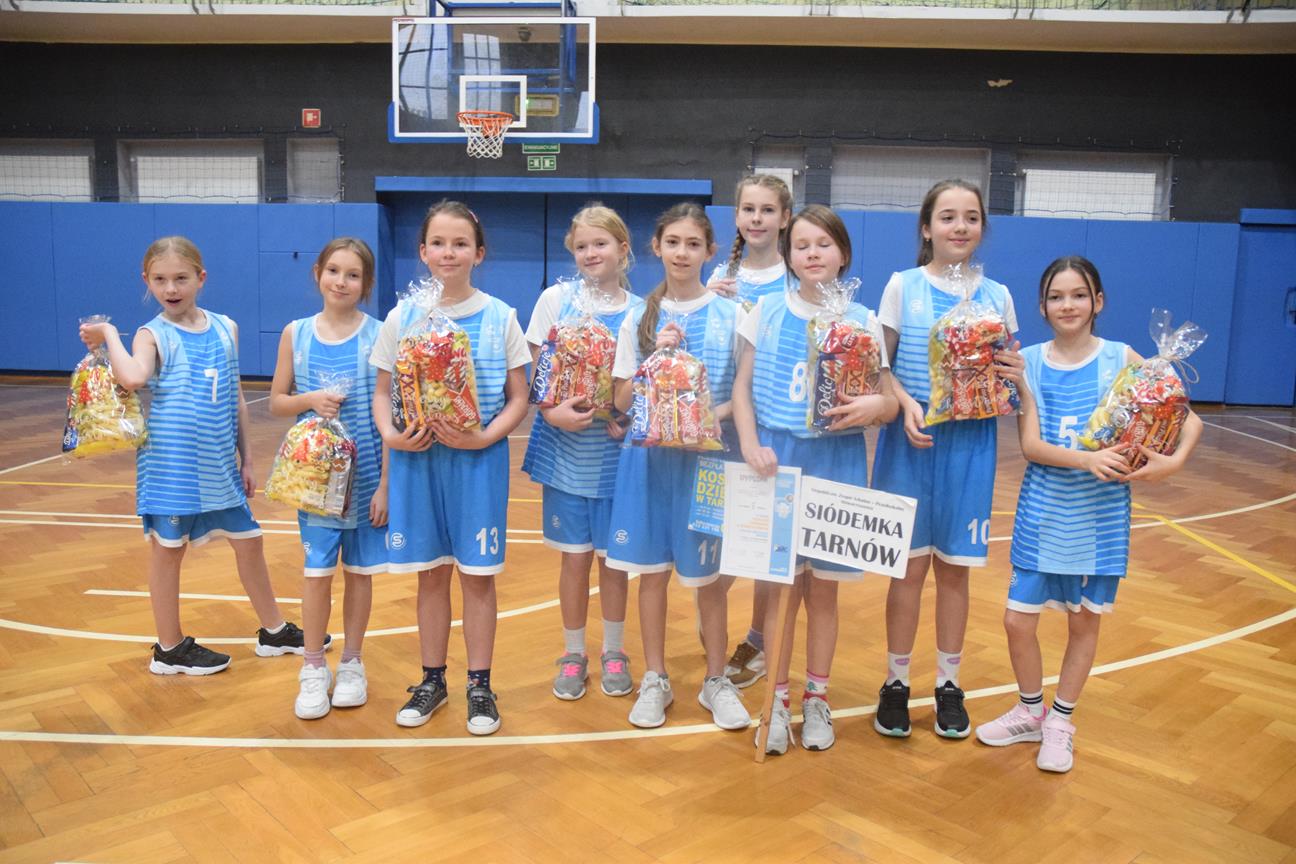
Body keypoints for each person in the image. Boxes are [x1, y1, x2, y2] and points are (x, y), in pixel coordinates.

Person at [975, 255, 1202, 772]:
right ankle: (1030, 712)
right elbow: (1031, 446)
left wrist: (1172, 463)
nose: (1068, 305)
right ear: (1042, 306)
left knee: (1082, 623)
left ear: (1098, 301)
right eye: (1056, 296)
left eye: (1079, 294)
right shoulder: (1029, 362)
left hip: (1100, 520)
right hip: (1041, 512)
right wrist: (1087, 458)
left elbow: (1189, 421)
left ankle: (1060, 721)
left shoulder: (1122, 357)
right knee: (1016, 621)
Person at [79, 236, 313, 675]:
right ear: (146, 281)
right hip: (171, 469)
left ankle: (274, 631)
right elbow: (133, 377)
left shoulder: (226, 327)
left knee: (251, 541)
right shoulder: (151, 334)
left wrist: (246, 459)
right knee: (168, 552)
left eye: (181, 278)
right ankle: (169, 649)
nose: (171, 288)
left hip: (219, 465)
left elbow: (237, 398)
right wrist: (110, 334)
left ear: (200, 278)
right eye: (160, 279)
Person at [733, 204, 898, 754]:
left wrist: (876, 405)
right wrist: (750, 442)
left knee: (823, 592)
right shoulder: (764, 311)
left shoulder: (863, 320)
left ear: (843, 254)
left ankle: (817, 697)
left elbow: (888, 400)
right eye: (801, 245)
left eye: (823, 244)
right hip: (776, 460)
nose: (812, 254)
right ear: (788, 255)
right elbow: (741, 388)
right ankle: (777, 700)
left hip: (837, 462)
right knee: (781, 590)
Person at [370, 201, 531, 735]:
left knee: (478, 579)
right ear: (422, 252)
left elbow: (519, 397)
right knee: (431, 575)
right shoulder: (402, 318)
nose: (449, 252)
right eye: (438, 243)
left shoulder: (501, 315)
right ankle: (432, 679)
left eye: (460, 243)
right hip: (418, 464)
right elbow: (382, 392)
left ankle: (479, 684)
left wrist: (483, 435)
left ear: (478, 254)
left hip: (478, 465)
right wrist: (391, 434)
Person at [871, 179, 1023, 739]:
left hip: (970, 448)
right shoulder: (901, 286)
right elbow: (880, 369)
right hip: (910, 444)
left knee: (955, 571)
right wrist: (907, 404)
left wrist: (1012, 379)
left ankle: (949, 685)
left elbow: (1007, 375)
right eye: (948, 217)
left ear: (982, 227)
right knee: (908, 570)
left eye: (972, 217)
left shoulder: (998, 296)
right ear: (926, 227)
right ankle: (895, 682)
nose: (960, 227)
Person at [605, 202, 748, 731]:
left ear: (710, 251)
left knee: (710, 580)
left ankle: (716, 680)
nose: (682, 253)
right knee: (652, 576)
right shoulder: (638, 316)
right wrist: (650, 363)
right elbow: (620, 400)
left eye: (693, 244)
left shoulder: (733, 315)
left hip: (707, 464)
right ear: (657, 248)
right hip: (648, 465)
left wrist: (705, 418)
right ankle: (655, 678)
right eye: (672, 243)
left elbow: (746, 393)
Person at [521, 204, 644, 701]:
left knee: (614, 561)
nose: (591, 253)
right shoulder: (556, 300)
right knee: (573, 561)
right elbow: (537, 372)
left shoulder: (640, 311)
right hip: (565, 452)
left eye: (600, 243)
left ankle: (614, 649)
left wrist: (626, 418)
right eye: (581, 246)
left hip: (614, 456)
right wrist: (551, 413)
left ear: (623, 248)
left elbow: (639, 385)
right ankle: (573, 653)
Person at [268, 238, 388, 720]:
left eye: (353, 274)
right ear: (317, 272)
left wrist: (386, 486)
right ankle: (313, 665)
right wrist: (310, 400)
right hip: (316, 482)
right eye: (334, 270)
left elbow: (391, 415)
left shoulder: (380, 335)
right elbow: (277, 401)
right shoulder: (295, 334)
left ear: (366, 283)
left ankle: (353, 662)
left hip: (367, 478)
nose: (342, 281)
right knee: (317, 572)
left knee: (360, 573)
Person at [707, 174, 795, 692]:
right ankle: (713, 626)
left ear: (785, 218)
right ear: (736, 216)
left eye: (767, 210)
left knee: (764, 545)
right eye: (748, 209)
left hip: (769, 432)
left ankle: (758, 640)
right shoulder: (720, 277)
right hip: (718, 432)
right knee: (717, 542)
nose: (757, 218)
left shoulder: (795, 279)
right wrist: (705, 300)